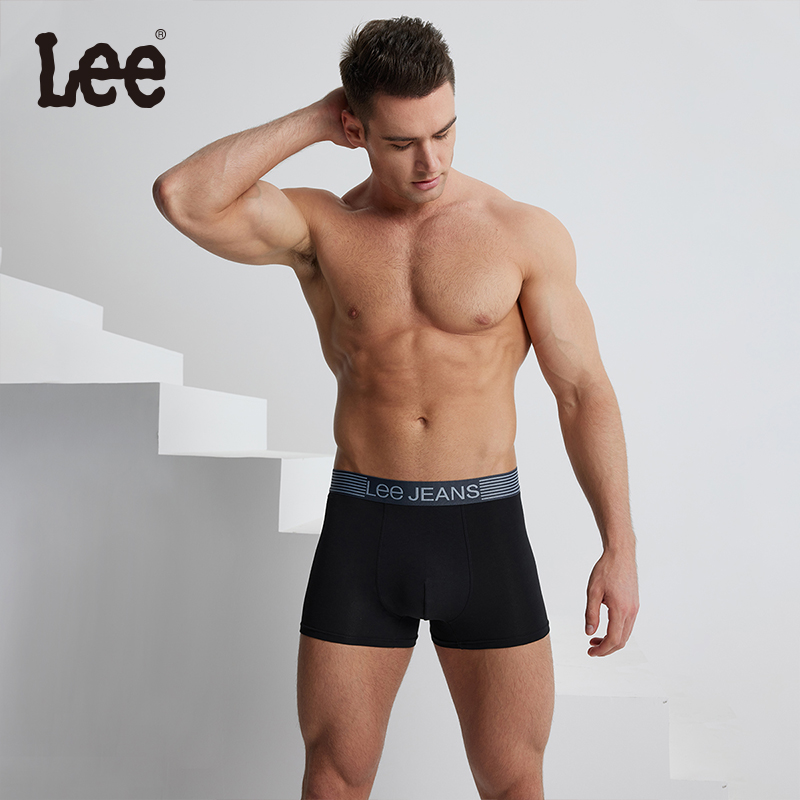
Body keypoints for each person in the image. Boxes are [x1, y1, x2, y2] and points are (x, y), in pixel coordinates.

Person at [153, 16, 639, 800]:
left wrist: (619, 544)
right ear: (358, 129)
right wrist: (316, 118)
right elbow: (183, 196)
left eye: (444, 132)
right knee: (334, 780)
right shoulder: (325, 227)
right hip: (364, 526)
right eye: (402, 142)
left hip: (484, 528)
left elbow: (583, 392)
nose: (430, 161)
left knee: (515, 782)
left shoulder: (521, 234)